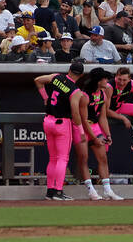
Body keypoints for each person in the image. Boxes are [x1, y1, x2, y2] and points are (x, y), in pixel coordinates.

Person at [33, 60, 83, 200]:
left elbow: (38, 80)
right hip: (62, 123)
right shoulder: (75, 90)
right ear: (80, 75)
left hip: (48, 120)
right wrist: (81, 130)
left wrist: (45, 98)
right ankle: (58, 191)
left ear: (70, 70)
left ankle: (50, 191)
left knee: (53, 158)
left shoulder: (56, 77)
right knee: (62, 158)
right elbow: (75, 112)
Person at [71, 67, 123, 200]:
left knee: (103, 158)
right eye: (105, 78)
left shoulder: (103, 94)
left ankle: (107, 190)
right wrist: (94, 138)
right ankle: (91, 190)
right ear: (98, 80)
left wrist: (108, 135)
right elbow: (83, 120)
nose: (107, 81)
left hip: (94, 127)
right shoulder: (84, 96)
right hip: (81, 128)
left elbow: (102, 117)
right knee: (83, 159)